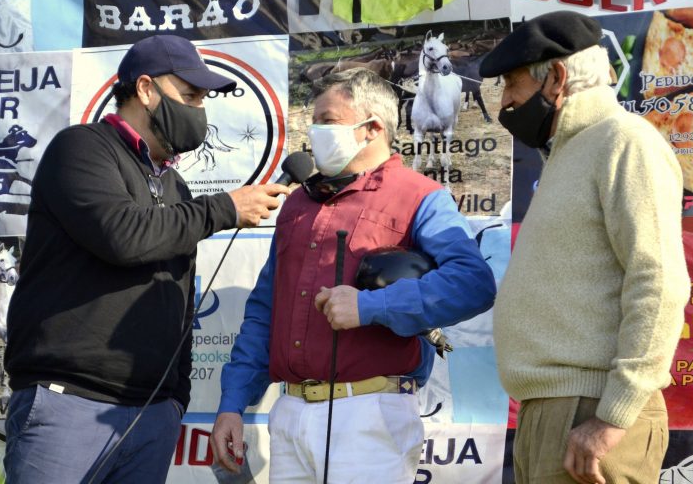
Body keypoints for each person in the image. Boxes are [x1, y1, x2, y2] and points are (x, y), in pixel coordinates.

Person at [3, 34, 290, 484]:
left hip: (152, 414)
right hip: (69, 403)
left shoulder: (176, 187)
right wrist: (225, 208)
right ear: (145, 89)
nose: (199, 111)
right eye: (190, 95)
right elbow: (122, 236)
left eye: (203, 100)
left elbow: (180, 297)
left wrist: (175, 398)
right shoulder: (81, 148)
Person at [210, 68, 496, 483]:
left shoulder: (421, 196)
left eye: (327, 121)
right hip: (289, 414)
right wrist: (232, 404)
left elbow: (473, 283)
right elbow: (265, 309)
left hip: (369, 414)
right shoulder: (298, 204)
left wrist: (369, 306)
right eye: (314, 121)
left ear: (372, 129)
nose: (314, 132)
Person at [480, 11, 690, 484]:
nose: (505, 102)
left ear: (556, 78)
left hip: (591, 412)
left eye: (512, 85)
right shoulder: (569, 153)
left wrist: (614, 415)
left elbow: (658, 281)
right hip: (554, 410)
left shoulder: (625, 141)